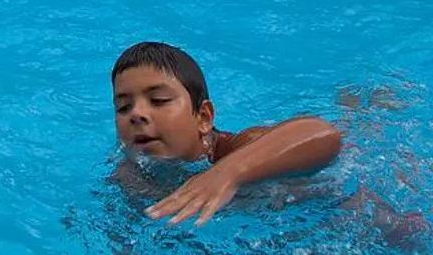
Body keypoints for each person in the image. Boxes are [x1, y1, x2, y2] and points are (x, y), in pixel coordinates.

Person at [111, 40, 344, 228]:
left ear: (203, 118)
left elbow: (323, 134)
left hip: (343, 209)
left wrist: (227, 173)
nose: (137, 114)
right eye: (123, 107)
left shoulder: (242, 147)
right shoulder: (132, 176)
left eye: (158, 100)